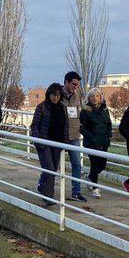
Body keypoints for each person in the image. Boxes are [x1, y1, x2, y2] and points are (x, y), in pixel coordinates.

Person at [30, 83, 69, 207]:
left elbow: (65, 125)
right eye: (53, 95)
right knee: (49, 169)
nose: (55, 98)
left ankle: (42, 186)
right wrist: (37, 138)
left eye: (58, 95)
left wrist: (65, 141)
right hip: (44, 142)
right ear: (49, 94)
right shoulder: (41, 107)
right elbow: (35, 124)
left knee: (52, 169)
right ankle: (48, 196)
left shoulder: (62, 108)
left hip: (57, 143)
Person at [80, 88, 112, 199]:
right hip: (91, 142)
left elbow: (109, 123)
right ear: (88, 98)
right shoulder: (86, 111)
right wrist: (91, 137)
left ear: (100, 97)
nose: (95, 98)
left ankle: (90, 177)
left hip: (103, 141)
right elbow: (82, 127)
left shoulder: (104, 110)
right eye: (92, 96)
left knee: (102, 165)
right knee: (95, 164)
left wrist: (108, 136)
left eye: (97, 96)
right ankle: (95, 188)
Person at [60, 71, 86, 202]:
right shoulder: (57, 95)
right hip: (60, 135)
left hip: (74, 135)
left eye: (77, 85)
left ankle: (76, 191)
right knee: (53, 164)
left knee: (76, 164)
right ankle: (43, 186)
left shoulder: (77, 96)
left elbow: (79, 112)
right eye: (73, 84)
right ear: (66, 82)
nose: (75, 87)